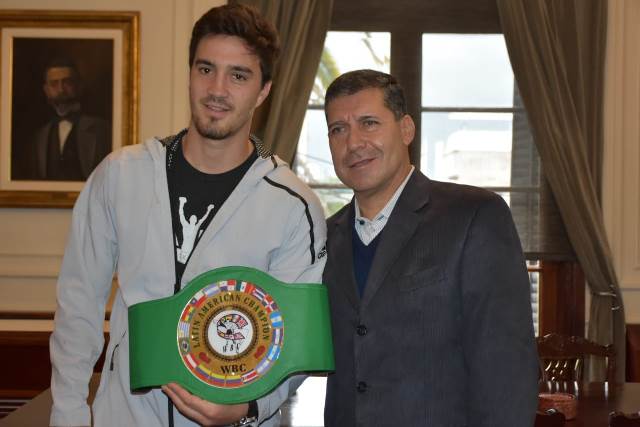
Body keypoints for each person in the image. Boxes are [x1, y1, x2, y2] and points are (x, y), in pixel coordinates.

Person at [49, 4, 326, 427]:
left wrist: (248, 409)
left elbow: (294, 345)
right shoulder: (120, 176)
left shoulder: (293, 205)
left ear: (264, 90)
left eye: (238, 75)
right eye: (205, 69)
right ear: (190, 73)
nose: (217, 89)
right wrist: (67, 417)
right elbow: (78, 310)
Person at [321, 69, 539, 426]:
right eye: (338, 129)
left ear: (406, 129)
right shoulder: (325, 237)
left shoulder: (474, 216)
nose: (353, 142)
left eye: (369, 123)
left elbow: (507, 368)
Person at [31, 57, 111, 181]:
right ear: (46, 90)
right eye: (54, 84)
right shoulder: (41, 136)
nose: (61, 89)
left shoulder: (102, 129)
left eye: (67, 82)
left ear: (79, 85)